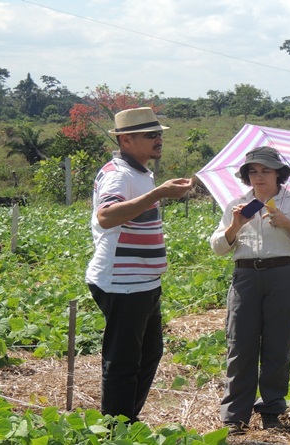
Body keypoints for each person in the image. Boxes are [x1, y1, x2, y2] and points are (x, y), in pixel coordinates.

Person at [86, 107, 193, 423]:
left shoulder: (141, 173)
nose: (158, 139)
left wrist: (159, 190)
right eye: (150, 135)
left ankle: (126, 419)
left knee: (149, 353)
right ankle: (116, 427)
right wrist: (160, 193)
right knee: (124, 360)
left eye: (159, 133)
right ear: (126, 140)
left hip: (144, 281)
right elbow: (106, 216)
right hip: (122, 281)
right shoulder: (119, 174)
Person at [209, 146, 290, 434]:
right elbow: (218, 247)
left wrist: (289, 225)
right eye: (253, 171)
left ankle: (271, 409)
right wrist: (235, 226)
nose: (258, 177)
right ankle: (235, 415)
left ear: (278, 174)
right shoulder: (237, 205)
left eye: (265, 171)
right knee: (240, 345)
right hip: (246, 276)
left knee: (278, 345)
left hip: (285, 274)